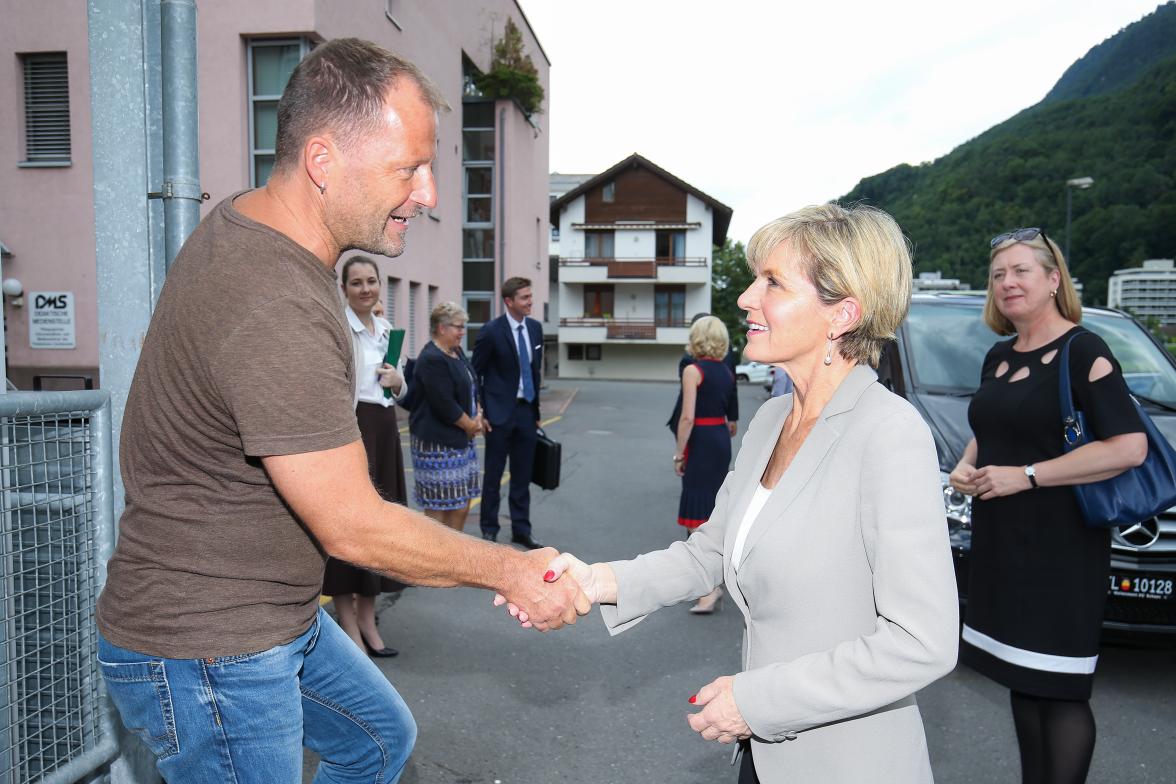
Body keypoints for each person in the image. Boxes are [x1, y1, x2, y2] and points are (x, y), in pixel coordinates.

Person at [94, 38, 587, 784]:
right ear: (322, 162)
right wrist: (510, 571)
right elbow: (352, 523)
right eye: (408, 170)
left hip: (270, 617)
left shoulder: (258, 230)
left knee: (377, 741)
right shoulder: (274, 299)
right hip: (207, 646)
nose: (428, 195)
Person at [516, 204, 960, 783]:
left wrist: (759, 701)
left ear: (842, 313)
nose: (748, 298)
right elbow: (708, 554)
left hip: (845, 764)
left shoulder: (889, 433)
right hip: (765, 755)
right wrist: (593, 581)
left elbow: (922, 642)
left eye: (772, 282)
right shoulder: (774, 417)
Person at [949, 228, 1147, 784]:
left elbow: (1129, 446)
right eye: (998, 275)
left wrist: (1028, 477)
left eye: (1020, 271)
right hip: (1002, 545)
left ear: (1053, 280)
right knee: (1025, 677)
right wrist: (968, 463)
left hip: (1061, 551)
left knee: (1059, 689)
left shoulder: (1083, 349)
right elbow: (994, 429)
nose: (1007, 283)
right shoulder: (998, 355)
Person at [321, 255, 407, 659]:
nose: (366, 289)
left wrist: (398, 381)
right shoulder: (340, 329)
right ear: (344, 288)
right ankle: (349, 626)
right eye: (356, 283)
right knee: (350, 522)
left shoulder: (386, 329)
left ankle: (370, 621)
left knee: (381, 526)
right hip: (353, 428)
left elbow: (396, 385)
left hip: (385, 429)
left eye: (371, 281)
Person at [472, 277, 545, 549]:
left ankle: (521, 529)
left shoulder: (535, 329)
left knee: (522, 476)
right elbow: (475, 371)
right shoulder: (491, 331)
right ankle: (489, 529)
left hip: (526, 412)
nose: (530, 302)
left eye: (530, 296)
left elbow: (535, 372)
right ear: (508, 301)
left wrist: (536, 410)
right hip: (498, 415)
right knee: (493, 475)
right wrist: (482, 410)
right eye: (525, 298)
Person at [673, 315, 736, 613]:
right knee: (711, 510)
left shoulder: (693, 371)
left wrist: (679, 452)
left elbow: (686, 417)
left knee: (697, 515)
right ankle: (713, 584)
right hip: (720, 439)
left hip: (701, 440)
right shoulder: (726, 371)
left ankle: (707, 589)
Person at [409, 302, 484, 531]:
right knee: (439, 507)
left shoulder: (456, 351)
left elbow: (472, 381)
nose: (463, 332)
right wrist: (470, 425)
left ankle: (454, 554)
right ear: (442, 328)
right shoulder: (432, 358)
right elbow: (444, 404)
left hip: (462, 439)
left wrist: (479, 413)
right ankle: (434, 561)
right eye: (458, 327)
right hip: (438, 445)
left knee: (462, 504)